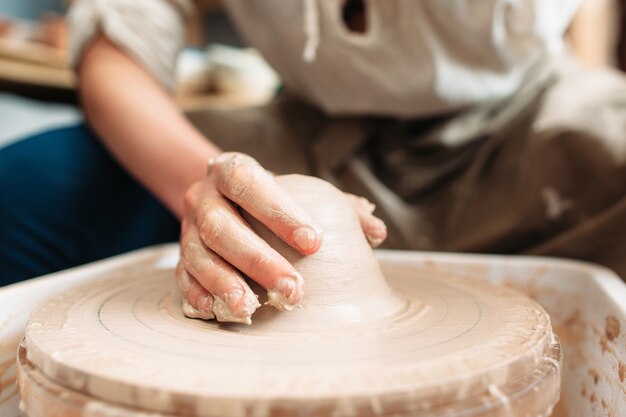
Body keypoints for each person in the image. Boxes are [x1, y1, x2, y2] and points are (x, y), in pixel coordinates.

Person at [1, 0, 625, 323]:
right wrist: (205, 181)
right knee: (25, 187)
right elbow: (120, 37)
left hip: (521, 125)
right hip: (305, 130)